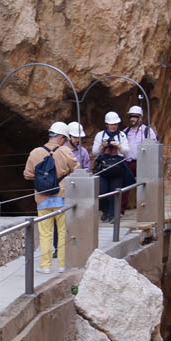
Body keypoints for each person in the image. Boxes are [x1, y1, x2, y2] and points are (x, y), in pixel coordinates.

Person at [22, 122, 79, 273]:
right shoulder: (65, 151)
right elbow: (77, 169)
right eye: (65, 139)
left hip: (42, 198)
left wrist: (43, 179)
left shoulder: (35, 153)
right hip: (62, 196)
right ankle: (62, 264)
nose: (65, 142)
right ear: (61, 137)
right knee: (62, 231)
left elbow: (27, 174)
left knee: (45, 233)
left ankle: (45, 266)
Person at [92, 113, 135, 221]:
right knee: (102, 191)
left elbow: (126, 150)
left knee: (115, 190)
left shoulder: (121, 135)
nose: (113, 126)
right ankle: (105, 211)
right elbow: (95, 151)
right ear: (107, 124)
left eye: (115, 124)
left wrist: (118, 146)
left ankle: (112, 215)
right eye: (111, 124)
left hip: (117, 165)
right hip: (104, 165)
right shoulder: (100, 135)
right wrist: (102, 146)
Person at [122, 104, 158, 180]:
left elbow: (154, 148)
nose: (132, 119)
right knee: (126, 187)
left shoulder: (147, 131)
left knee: (143, 186)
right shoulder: (125, 132)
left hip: (142, 164)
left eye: (135, 117)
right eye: (131, 116)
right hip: (128, 164)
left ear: (140, 118)